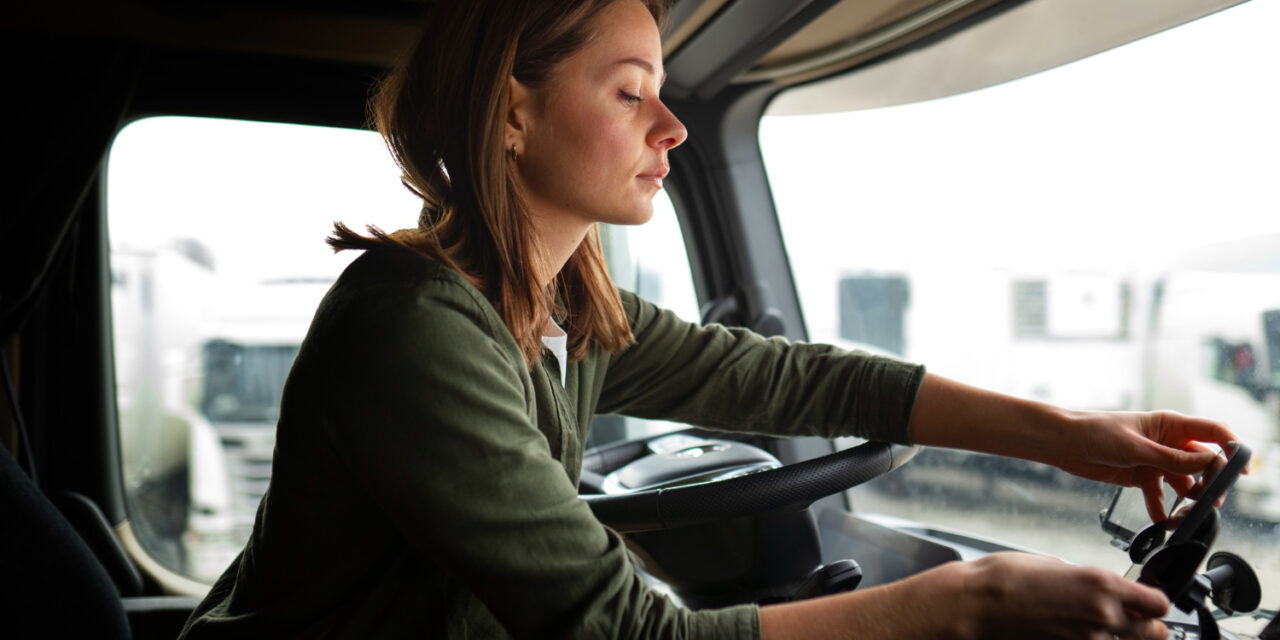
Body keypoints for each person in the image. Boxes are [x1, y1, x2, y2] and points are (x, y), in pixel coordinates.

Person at [178, 1, 1238, 638]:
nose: (673, 125)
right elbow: (615, 631)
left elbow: (799, 382)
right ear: (512, 111)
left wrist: (1075, 440)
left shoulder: (559, 309)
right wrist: (966, 603)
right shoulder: (414, 330)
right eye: (631, 92)